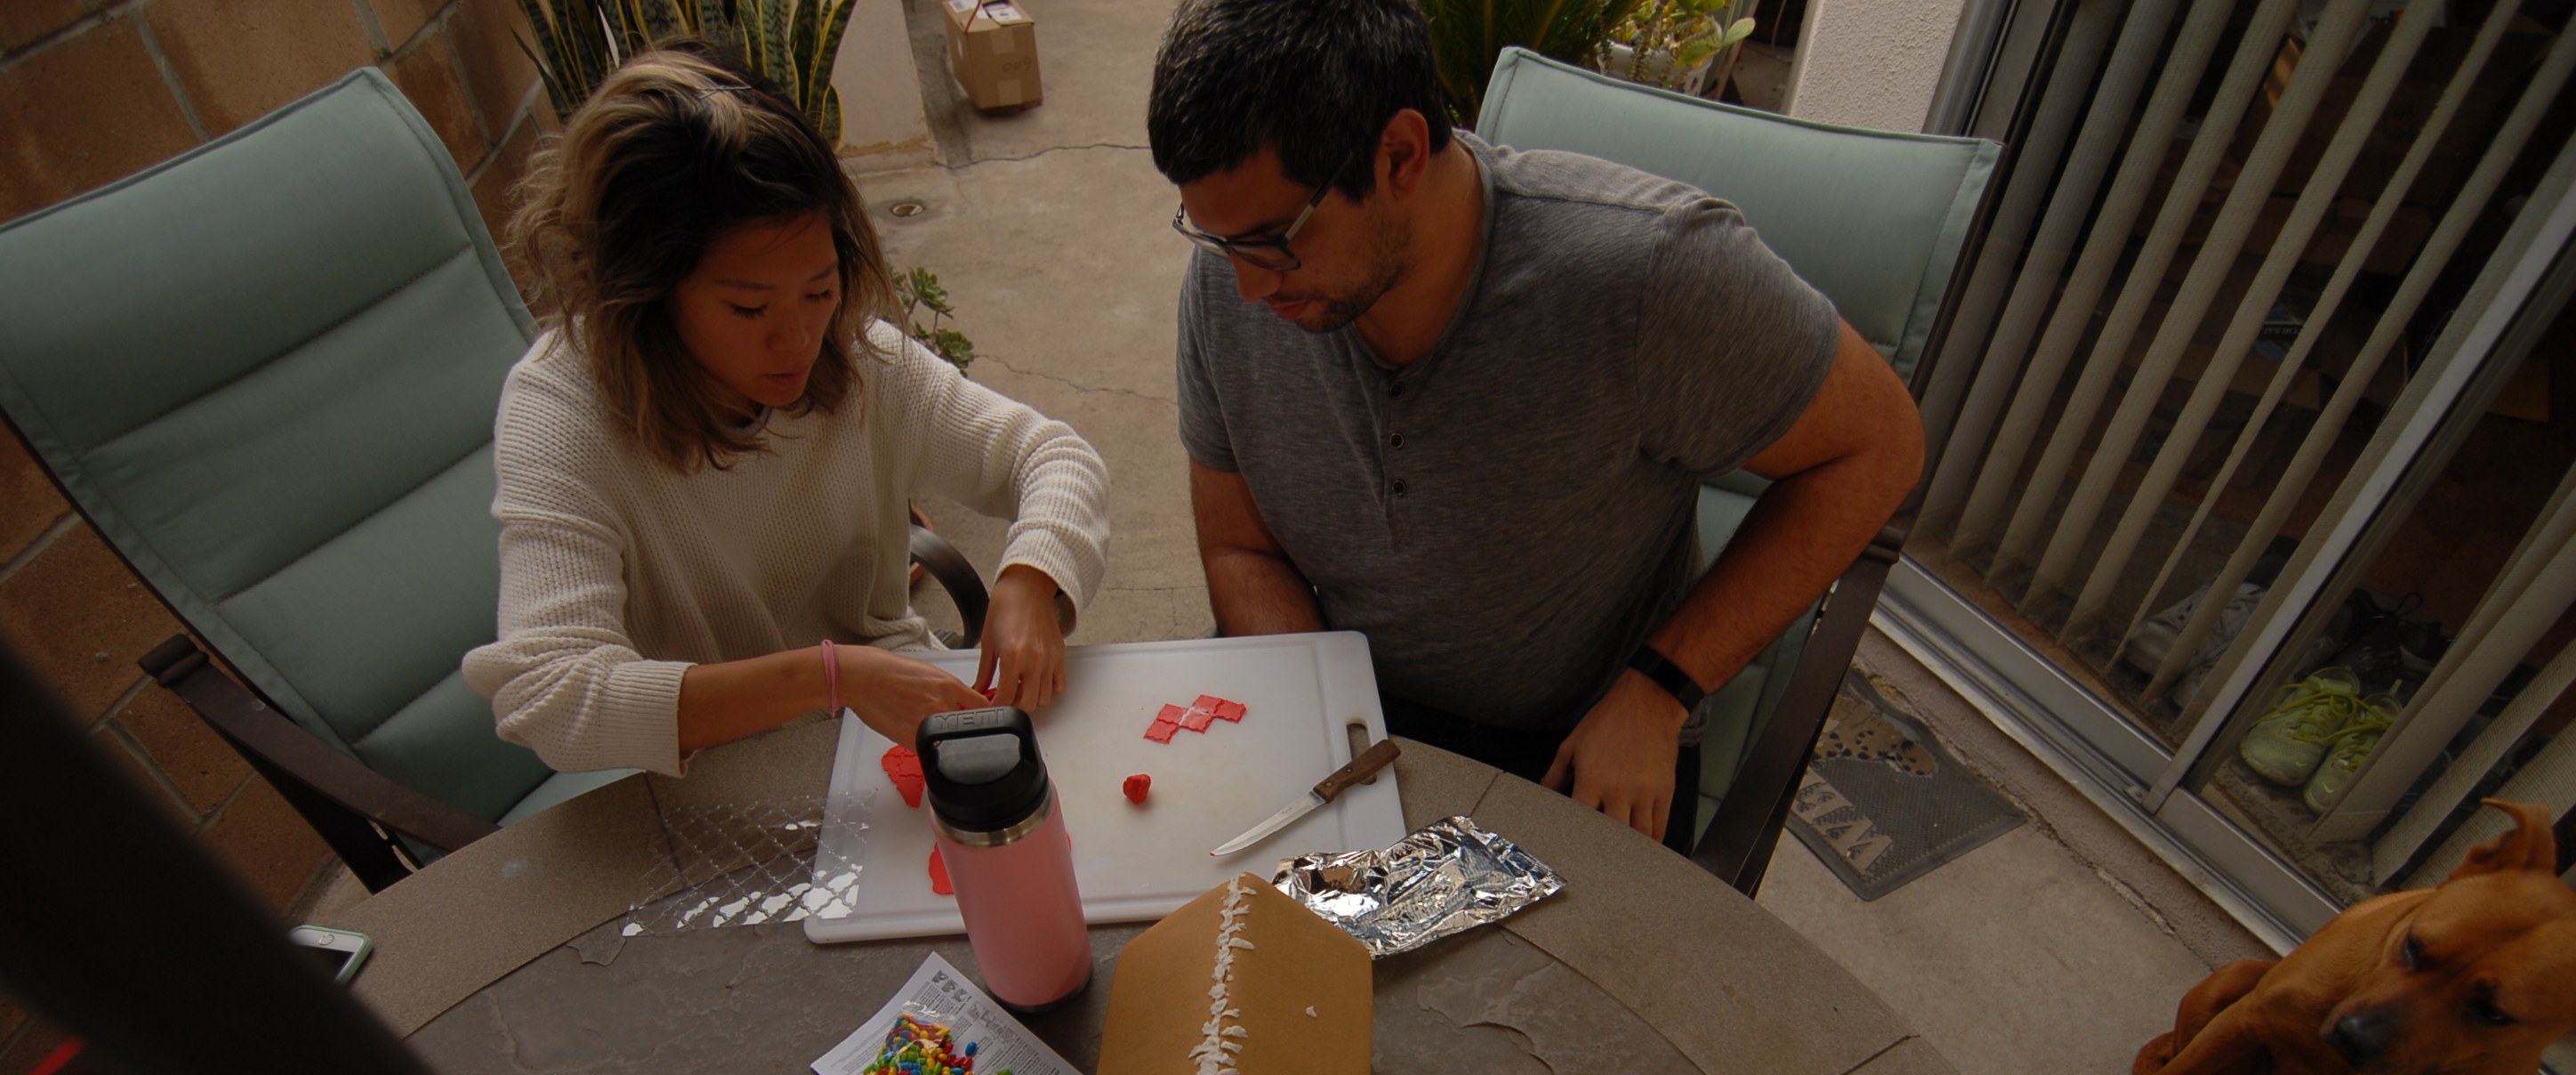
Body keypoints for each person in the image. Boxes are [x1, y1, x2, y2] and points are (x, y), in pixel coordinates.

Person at [1147, 0, 1922, 848]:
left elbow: (1879, 446)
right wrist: (1322, 720)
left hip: (1575, 747)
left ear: (1399, 154)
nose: (1248, 288)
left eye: (1274, 239)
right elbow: (1242, 547)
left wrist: (1662, 688)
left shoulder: (1647, 276)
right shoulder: (1230, 283)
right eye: (1218, 240)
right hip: (1345, 707)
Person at [466, 46, 1110, 778]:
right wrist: (833, 677)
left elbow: (1053, 457)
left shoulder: (859, 357)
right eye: (748, 308)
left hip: (889, 737)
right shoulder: (562, 414)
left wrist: (1031, 576)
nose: (799, 339)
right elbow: (550, 697)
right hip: (716, 773)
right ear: (647, 294)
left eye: (819, 290)